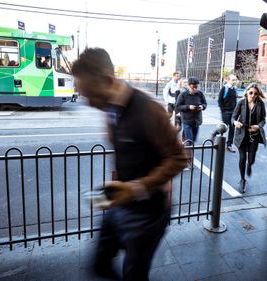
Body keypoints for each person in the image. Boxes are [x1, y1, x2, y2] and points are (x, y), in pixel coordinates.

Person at [71, 48, 187, 281]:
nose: (89, 103)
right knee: (100, 264)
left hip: (149, 213)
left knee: (134, 274)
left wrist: (134, 188)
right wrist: (116, 186)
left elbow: (179, 157)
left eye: (91, 95)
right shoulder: (110, 108)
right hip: (120, 203)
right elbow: (125, 152)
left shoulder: (148, 109)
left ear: (107, 80)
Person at [232, 83, 266, 193]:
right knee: (242, 157)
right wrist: (235, 122)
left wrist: (258, 126)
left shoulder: (260, 104)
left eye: (255, 94)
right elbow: (233, 117)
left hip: (254, 136)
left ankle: (250, 165)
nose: (253, 95)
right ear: (246, 92)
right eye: (251, 93)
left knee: (251, 159)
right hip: (241, 134)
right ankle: (242, 179)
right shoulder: (241, 103)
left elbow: (263, 120)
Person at [176, 77, 207, 144]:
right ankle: (189, 153)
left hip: (197, 121)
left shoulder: (200, 94)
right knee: (190, 141)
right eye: (193, 87)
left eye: (197, 87)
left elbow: (205, 104)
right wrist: (188, 107)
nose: (195, 89)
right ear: (189, 86)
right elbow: (178, 106)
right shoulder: (183, 95)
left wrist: (202, 107)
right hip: (187, 120)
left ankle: (185, 146)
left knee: (193, 140)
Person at [218, 74, 239, 152]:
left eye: (235, 80)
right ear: (229, 80)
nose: (235, 81)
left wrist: (236, 111)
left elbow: (235, 101)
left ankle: (229, 145)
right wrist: (223, 110)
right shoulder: (224, 88)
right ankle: (215, 134)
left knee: (232, 129)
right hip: (226, 112)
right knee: (224, 127)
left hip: (233, 113)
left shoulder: (235, 89)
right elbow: (220, 100)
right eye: (233, 80)